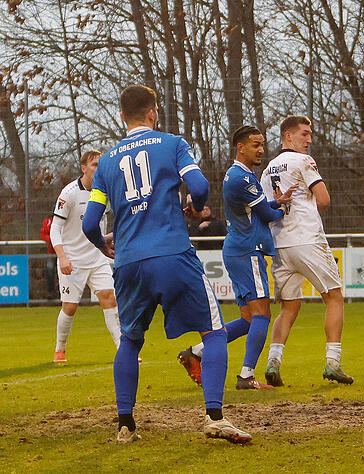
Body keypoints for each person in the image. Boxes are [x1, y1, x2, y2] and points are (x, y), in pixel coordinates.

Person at [81, 84, 250, 444]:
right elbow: (199, 185)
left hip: (127, 263)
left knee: (129, 340)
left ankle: (125, 425)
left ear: (121, 116)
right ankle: (216, 416)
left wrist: (104, 244)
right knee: (214, 332)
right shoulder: (172, 144)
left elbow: (88, 223)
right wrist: (192, 206)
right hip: (172, 254)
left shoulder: (106, 162)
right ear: (153, 113)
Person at [177, 125, 294, 390]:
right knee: (262, 314)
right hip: (247, 250)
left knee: (248, 319)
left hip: (238, 248)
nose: (261, 149)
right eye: (255, 145)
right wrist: (284, 208)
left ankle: (196, 352)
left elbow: (259, 208)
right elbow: (266, 214)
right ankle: (246, 377)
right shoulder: (243, 178)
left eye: (262, 144)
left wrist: (277, 202)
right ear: (241, 147)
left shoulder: (237, 175)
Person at [260, 115, 354, 386]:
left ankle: (273, 361)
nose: (309, 140)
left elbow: (268, 206)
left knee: (289, 307)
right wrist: (310, 208)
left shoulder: (268, 169)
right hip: (307, 239)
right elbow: (324, 198)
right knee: (334, 297)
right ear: (288, 136)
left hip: (280, 244)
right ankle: (333, 362)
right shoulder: (304, 161)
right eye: (304, 134)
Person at [50, 150, 121, 363]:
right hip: (73, 260)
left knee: (110, 298)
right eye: (94, 165)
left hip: (97, 258)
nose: (99, 169)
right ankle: (60, 348)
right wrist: (62, 257)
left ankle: (123, 349)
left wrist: (108, 238)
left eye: (101, 165)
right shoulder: (69, 192)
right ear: (84, 168)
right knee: (69, 308)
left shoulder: (106, 192)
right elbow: (55, 229)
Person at [40, 216, 58, 299]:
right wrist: (54, 239)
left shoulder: (67, 220)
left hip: (65, 253)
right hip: (52, 253)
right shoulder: (48, 221)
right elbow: (43, 235)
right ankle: (51, 292)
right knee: (49, 269)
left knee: (66, 273)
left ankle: (66, 293)